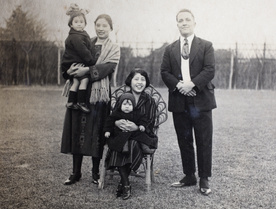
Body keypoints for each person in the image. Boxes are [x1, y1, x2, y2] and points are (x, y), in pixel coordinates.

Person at [160, 9, 217, 195]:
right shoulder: (169, 49)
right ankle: (189, 175)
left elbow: (209, 70)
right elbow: (164, 72)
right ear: (177, 24)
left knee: (203, 140)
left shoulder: (206, 45)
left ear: (194, 22)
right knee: (184, 140)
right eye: (180, 20)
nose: (184, 23)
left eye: (187, 20)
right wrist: (179, 86)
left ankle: (204, 179)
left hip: (201, 100)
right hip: (179, 100)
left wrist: (192, 84)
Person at [61, 14, 120, 186]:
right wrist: (69, 71)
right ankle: (76, 172)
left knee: (97, 132)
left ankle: (95, 173)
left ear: (110, 28)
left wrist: (85, 71)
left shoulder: (114, 48)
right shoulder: (84, 41)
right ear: (94, 26)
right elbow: (70, 59)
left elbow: (107, 68)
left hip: (99, 95)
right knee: (76, 130)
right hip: (80, 93)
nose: (101, 28)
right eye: (98, 25)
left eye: (105, 25)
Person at [106, 69, 158, 200]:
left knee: (132, 143)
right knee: (120, 142)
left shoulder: (150, 101)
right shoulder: (123, 97)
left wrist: (136, 127)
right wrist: (117, 123)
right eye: (136, 79)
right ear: (130, 81)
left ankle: (123, 183)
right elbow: (113, 116)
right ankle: (126, 184)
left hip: (141, 136)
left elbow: (151, 122)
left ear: (146, 83)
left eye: (143, 79)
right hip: (121, 133)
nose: (139, 82)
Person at [61, 3, 96, 113]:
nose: (79, 24)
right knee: (84, 80)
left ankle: (71, 102)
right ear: (71, 24)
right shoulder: (76, 37)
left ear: (85, 23)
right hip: (78, 63)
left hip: (73, 65)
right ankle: (81, 102)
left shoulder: (75, 35)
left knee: (76, 82)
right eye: (76, 22)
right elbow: (83, 51)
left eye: (81, 22)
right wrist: (91, 62)